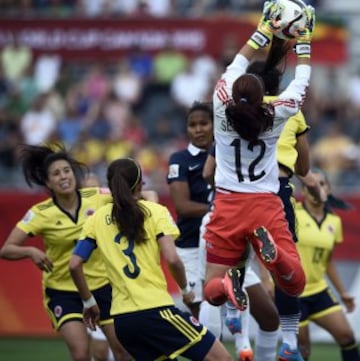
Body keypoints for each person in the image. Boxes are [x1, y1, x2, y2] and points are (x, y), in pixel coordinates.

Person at [203, 2, 315, 314]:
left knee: (211, 290)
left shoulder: (220, 103)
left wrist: (263, 30)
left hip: (227, 204)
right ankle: (274, 257)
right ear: (263, 97)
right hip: (264, 204)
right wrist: (304, 40)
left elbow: (235, 65)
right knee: (295, 284)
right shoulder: (277, 113)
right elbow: (300, 83)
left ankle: (228, 283)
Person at [69, 157, 232, 361]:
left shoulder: (95, 219)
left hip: (122, 322)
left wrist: (88, 302)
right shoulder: (155, 211)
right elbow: (172, 259)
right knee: (222, 358)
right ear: (139, 184)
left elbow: (74, 264)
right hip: (156, 312)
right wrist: (185, 291)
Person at [0, 144, 131, 361]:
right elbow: (6, 249)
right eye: (56, 174)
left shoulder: (97, 196)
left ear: (74, 173)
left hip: (101, 286)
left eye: (67, 170)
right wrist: (31, 251)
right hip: (63, 291)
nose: (63, 177)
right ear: (48, 182)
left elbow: (136, 197)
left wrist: (148, 200)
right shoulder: (40, 213)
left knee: (123, 353)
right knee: (80, 355)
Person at [245, 38, 326, 361]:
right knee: (286, 270)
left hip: (238, 191)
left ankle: (239, 341)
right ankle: (290, 343)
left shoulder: (235, 111)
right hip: (276, 190)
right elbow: (304, 166)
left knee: (228, 269)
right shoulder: (290, 111)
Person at [200, 144, 280, 361]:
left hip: (230, 217)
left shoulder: (229, 139)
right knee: (211, 296)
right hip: (223, 222)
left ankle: (240, 334)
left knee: (269, 317)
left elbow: (208, 173)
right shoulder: (253, 140)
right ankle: (241, 340)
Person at [295, 168, 360, 361]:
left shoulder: (334, 221)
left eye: (321, 184)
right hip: (293, 294)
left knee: (347, 336)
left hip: (318, 290)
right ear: (304, 191)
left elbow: (327, 260)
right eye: (310, 185)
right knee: (303, 349)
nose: (316, 189)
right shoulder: (293, 215)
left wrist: (343, 293)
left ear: (328, 190)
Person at [167, 101, 214, 319]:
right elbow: (182, 207)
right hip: (190, 246)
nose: (198, 129)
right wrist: (218, 210)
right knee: (203, 315)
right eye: (192, 125)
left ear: (215, 125)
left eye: (204, 123)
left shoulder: (225, 155)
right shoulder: (180, 160)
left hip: (221, 245)